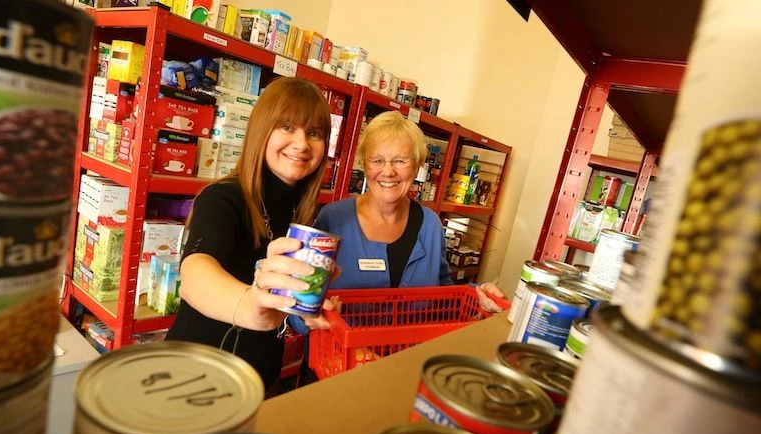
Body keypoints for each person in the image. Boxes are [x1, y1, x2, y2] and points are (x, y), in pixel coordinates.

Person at [287, 110, 507, 383]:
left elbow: (444, 292)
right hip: (336, 373)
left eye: (400, 161)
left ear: (417, 167)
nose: (388, 171)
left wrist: (477, 295)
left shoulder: (429, 224)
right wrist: (308, 315)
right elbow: (299, 311)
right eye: (377, 160)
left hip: (405, 371)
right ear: (364, 165)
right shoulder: (333, 218)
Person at [165, 77, 336, 393]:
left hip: (257, 382)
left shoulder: (305, 215)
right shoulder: (222, 198)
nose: (301, 144)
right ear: (261, 131)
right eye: (287, 127)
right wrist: (252, 307)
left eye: (314, 133)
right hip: (192, 380)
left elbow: (282, 301)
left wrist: (306, 304)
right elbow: (195, 276)